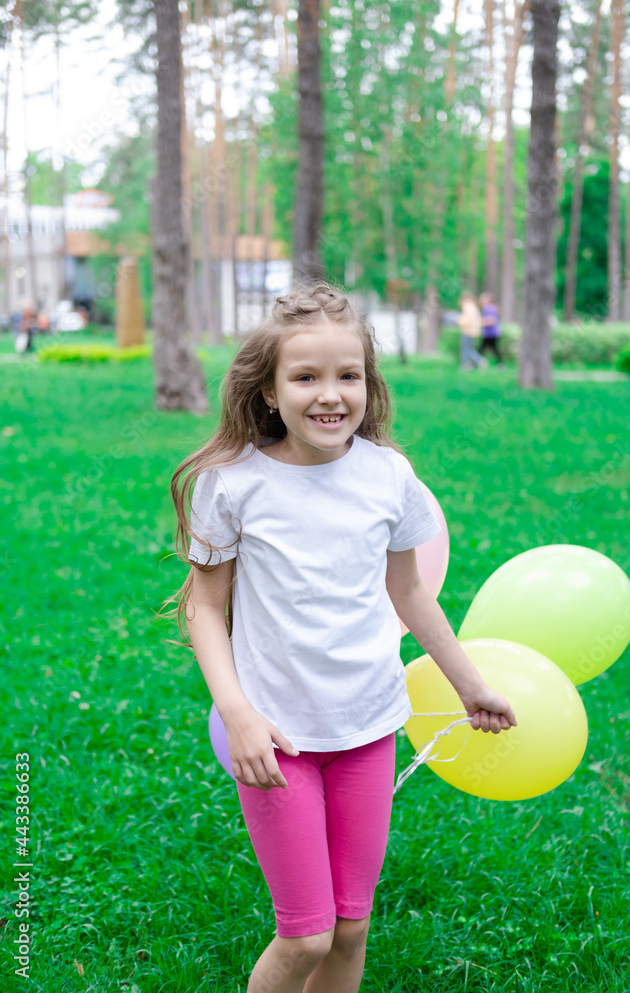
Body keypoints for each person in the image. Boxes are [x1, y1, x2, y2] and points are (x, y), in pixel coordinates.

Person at [169, 284, 516, 993]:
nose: (330, 395)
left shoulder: (388, 476)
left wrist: (470, 684)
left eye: (348, 375)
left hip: (367, 727)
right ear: (269, 392)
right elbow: (204, 605)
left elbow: (409, 592)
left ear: (368, 384)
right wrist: (237, 713)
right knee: (306, 934)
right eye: (305, 377)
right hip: (277, 737)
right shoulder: (232, 485)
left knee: (352, 927)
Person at [457, 291, 486, 371]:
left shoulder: (467, 306)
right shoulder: (474, 306)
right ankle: (469, 364)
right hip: (473, 331)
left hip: (467, 331)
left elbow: (467, 320)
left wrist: (459, 320)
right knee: (468, 349)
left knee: (466, 349)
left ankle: (477, 361)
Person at [478, 292, 503, 365]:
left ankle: (478, 362)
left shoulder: (489, 308)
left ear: (488, 299)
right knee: (491, 348)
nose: (481, 300)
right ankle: (500, 364)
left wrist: (480, 323)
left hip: (491, 333)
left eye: (483, 298)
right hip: (490, 333)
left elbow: (491, 320)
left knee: (487, 348)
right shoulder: (490, 307)